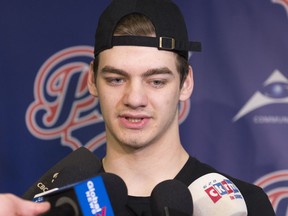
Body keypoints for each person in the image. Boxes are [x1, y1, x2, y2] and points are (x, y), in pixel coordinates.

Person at [4, 0, 276, 215]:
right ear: (92, 81)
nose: (134, 98)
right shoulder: (58, 208)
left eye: (156, 81)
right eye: (116, 79)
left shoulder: (244, 206)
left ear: (186, 83)